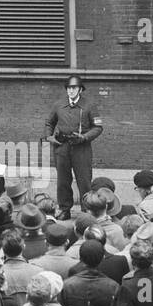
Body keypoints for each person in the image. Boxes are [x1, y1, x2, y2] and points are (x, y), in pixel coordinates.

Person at [45, 74, 102, 219]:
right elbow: (49, 123)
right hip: (62, 147)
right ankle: (65, 209)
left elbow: (98, 127)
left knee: (84, 180)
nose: (71, 91)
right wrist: (49, 136)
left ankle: (87, 210)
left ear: (80, 89)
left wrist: (85, 137)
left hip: (81, 148)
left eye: (74, 88)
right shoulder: (58, 105)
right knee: (63, 181)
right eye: (69, 88)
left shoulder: (89, 106)